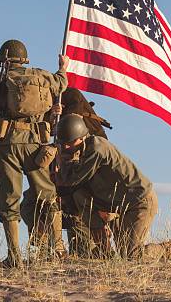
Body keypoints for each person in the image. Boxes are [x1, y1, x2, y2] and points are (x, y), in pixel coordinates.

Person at [0, 39, 69, 267]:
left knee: (9, 199)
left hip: (7, 146)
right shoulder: (43, 77)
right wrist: (63, 66)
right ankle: (57, 249)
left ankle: (14, 257)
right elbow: (61, 84)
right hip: (37, 145)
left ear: (3, 60)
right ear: (24, 59)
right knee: (47, 193)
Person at [20, 87, 113, 257]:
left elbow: (72, 130)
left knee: (76, 201)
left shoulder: (71, 99)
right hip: (62, 172)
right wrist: (51, 116)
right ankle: (48, 247)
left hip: (82, 177)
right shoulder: (44, 109)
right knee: (29, 204)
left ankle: (90, 250)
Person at [54, 114, 157, 259]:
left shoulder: (97, 148)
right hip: (116, 204)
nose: (65, 147)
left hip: (139, 202)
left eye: (69, 142)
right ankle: (104, 252)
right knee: (80, 195)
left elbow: (71, 181)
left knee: (131, 255)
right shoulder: (79, 150)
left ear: (82, 137)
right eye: (62, 143)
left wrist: (61, 160)